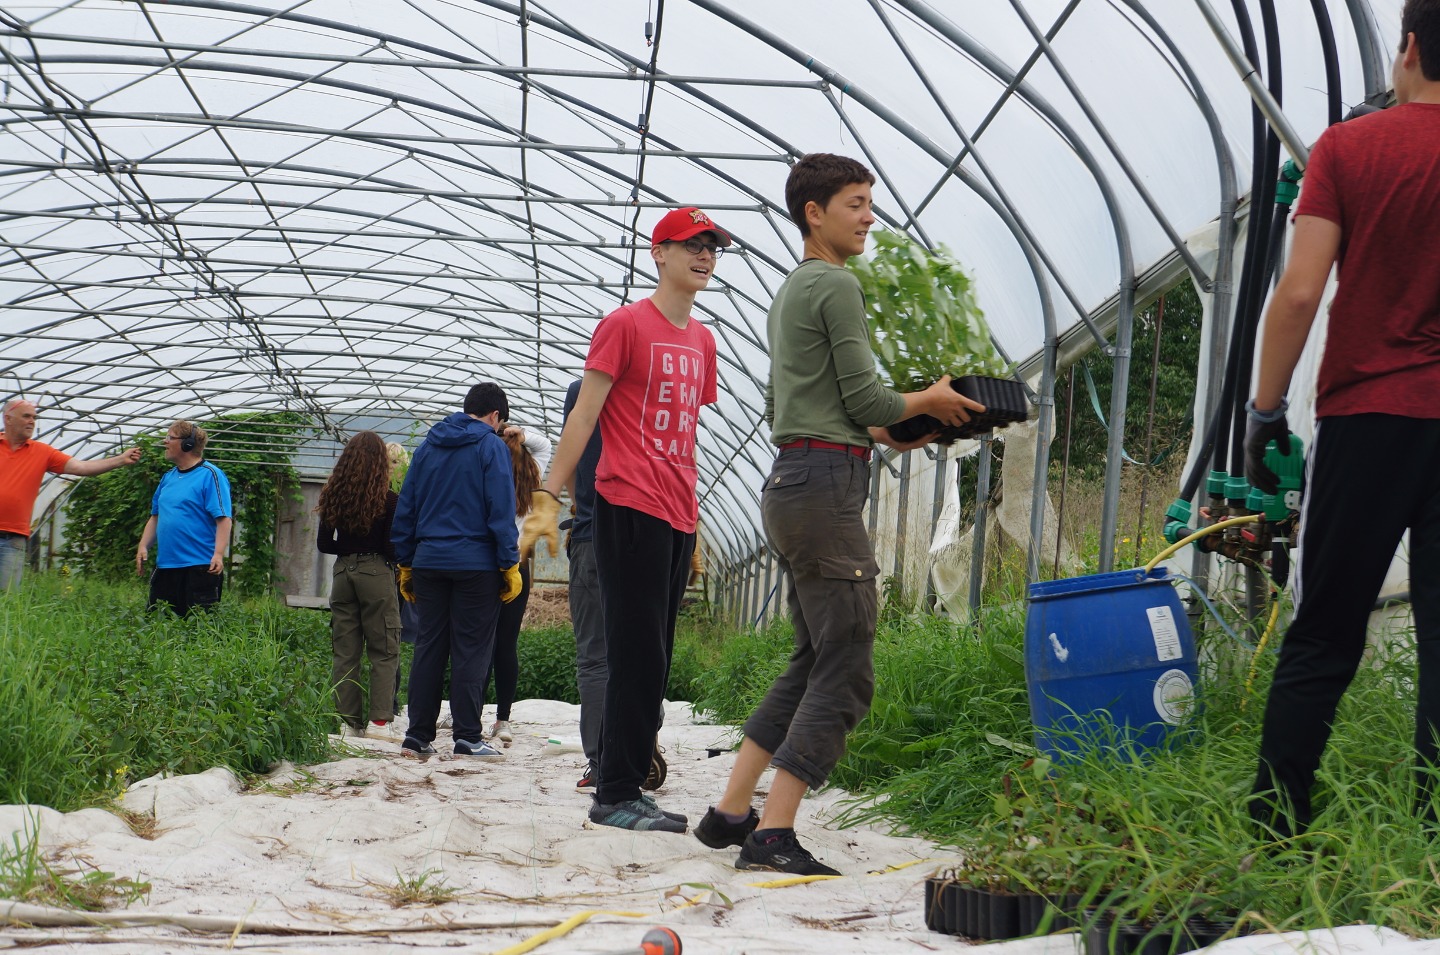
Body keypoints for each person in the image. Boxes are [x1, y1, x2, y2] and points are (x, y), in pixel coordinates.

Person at [693, 154, 980, 874]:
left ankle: (733, 811)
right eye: (855, 203)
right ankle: (773, 833)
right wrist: (929, 398)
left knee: (813, 656)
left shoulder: (793, 291)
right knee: (848, 658)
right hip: (823, 486)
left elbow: (820, 408)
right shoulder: (837, 284)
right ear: (813, 212)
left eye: (869, 203)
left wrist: (902, 427)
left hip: (795, 480)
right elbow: (870, 401)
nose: (869, 217)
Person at [1245, 0, 1440, 838]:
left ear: (1409, 46)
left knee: (1324, 629)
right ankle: (1432, 845)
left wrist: (1264, 411)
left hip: (1370, 415)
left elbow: (1298, 294)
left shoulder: (1350, 147)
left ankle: (1274, 831)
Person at [525, 206, 727, 833]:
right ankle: (614, 791)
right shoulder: (624, 325)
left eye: (712, 247)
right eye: (692, 244)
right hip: (626, 504)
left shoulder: (703, 341)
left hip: (677, 512)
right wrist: (547, 498)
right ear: (658, 253)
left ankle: (629, 782)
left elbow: (684, 433)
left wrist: (694, 525)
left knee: (656, 657)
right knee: (634, 655)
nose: (704, 255)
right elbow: (583, 417)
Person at [392, 382, 521, 761]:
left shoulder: (428, 447)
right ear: (495, 416)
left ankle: (417, 737)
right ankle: (467, 736)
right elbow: (500, 508)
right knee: (471, 649)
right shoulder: (491, 447)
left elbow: (407, 506)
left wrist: (405, 561)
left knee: (429, 646)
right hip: (476, 565)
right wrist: (509, 563)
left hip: (429, 562)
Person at [1, 398, 141, 590]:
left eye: (34, 417)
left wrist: (120, 460)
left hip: (13, 538)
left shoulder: (42, 452)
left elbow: (81, 467)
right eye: (26, 416)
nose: (32, 421)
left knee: (6, 597)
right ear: (8, 418)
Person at [316, 431, 401, 739]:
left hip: (342, 574)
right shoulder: (389, 500)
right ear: (381, 462)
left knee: (345, 651)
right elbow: (391, 548)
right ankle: (379, 723)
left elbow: (324, 544)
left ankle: (348, 723)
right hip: (376, 573)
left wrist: (349, 552)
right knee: (384, 648)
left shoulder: (333, 495)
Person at [482, 424, 552, 744]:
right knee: (506, 644)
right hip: (518, 567)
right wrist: (519, 433)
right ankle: (503, 720)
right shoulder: (532, 473)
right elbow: (544, 442)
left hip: (486, 564)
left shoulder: (489, 473)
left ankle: (468, 712)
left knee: (477, 642)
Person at [135, 420, 233, 616]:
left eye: (170, 437)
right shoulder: (168, 478)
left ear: (187, 444)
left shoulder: (211, 475)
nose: (165, 441)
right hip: (166, 566)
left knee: (198, 625)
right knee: (157, 623)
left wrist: (218, 554)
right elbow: (155, 517)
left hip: (199, 567)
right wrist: (143, 546)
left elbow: (223, 518)